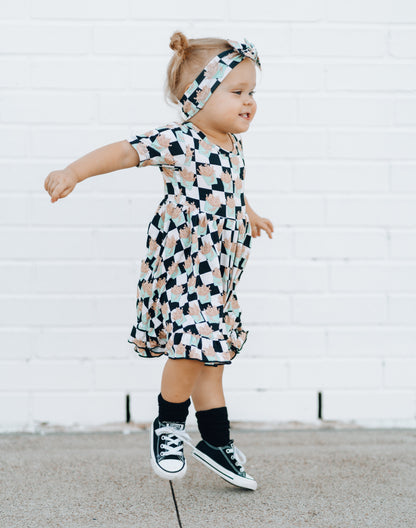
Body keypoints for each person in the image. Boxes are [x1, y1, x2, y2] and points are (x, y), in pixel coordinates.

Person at [44, 31, 274, 491]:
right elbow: (125, 151)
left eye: (253, 92)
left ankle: (214, 440)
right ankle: (169, 424)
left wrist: (247, 213)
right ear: (197, 97)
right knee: (192, 347)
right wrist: (74, 172)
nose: (249, 102)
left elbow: (227, 191)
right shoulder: (180, 141)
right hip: (186, 270)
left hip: (220, 273)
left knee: (212, 362)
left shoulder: (231, 145)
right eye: (237, 92)